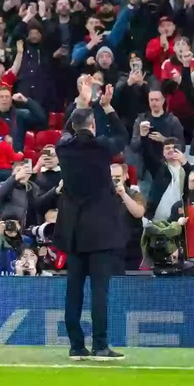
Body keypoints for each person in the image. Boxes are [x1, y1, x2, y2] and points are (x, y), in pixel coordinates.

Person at [54, 76, 127, 361]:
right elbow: (122, 136)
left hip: (73, 232)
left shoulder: (63, 149)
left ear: (73, 127)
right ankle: (100, 345)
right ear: (93, 126)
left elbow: (65, 130)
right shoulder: (101, 147)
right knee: (99, 291)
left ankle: (75, 345)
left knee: (74, 290)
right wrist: (107, 107)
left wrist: (82, 101)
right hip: (100, 232)